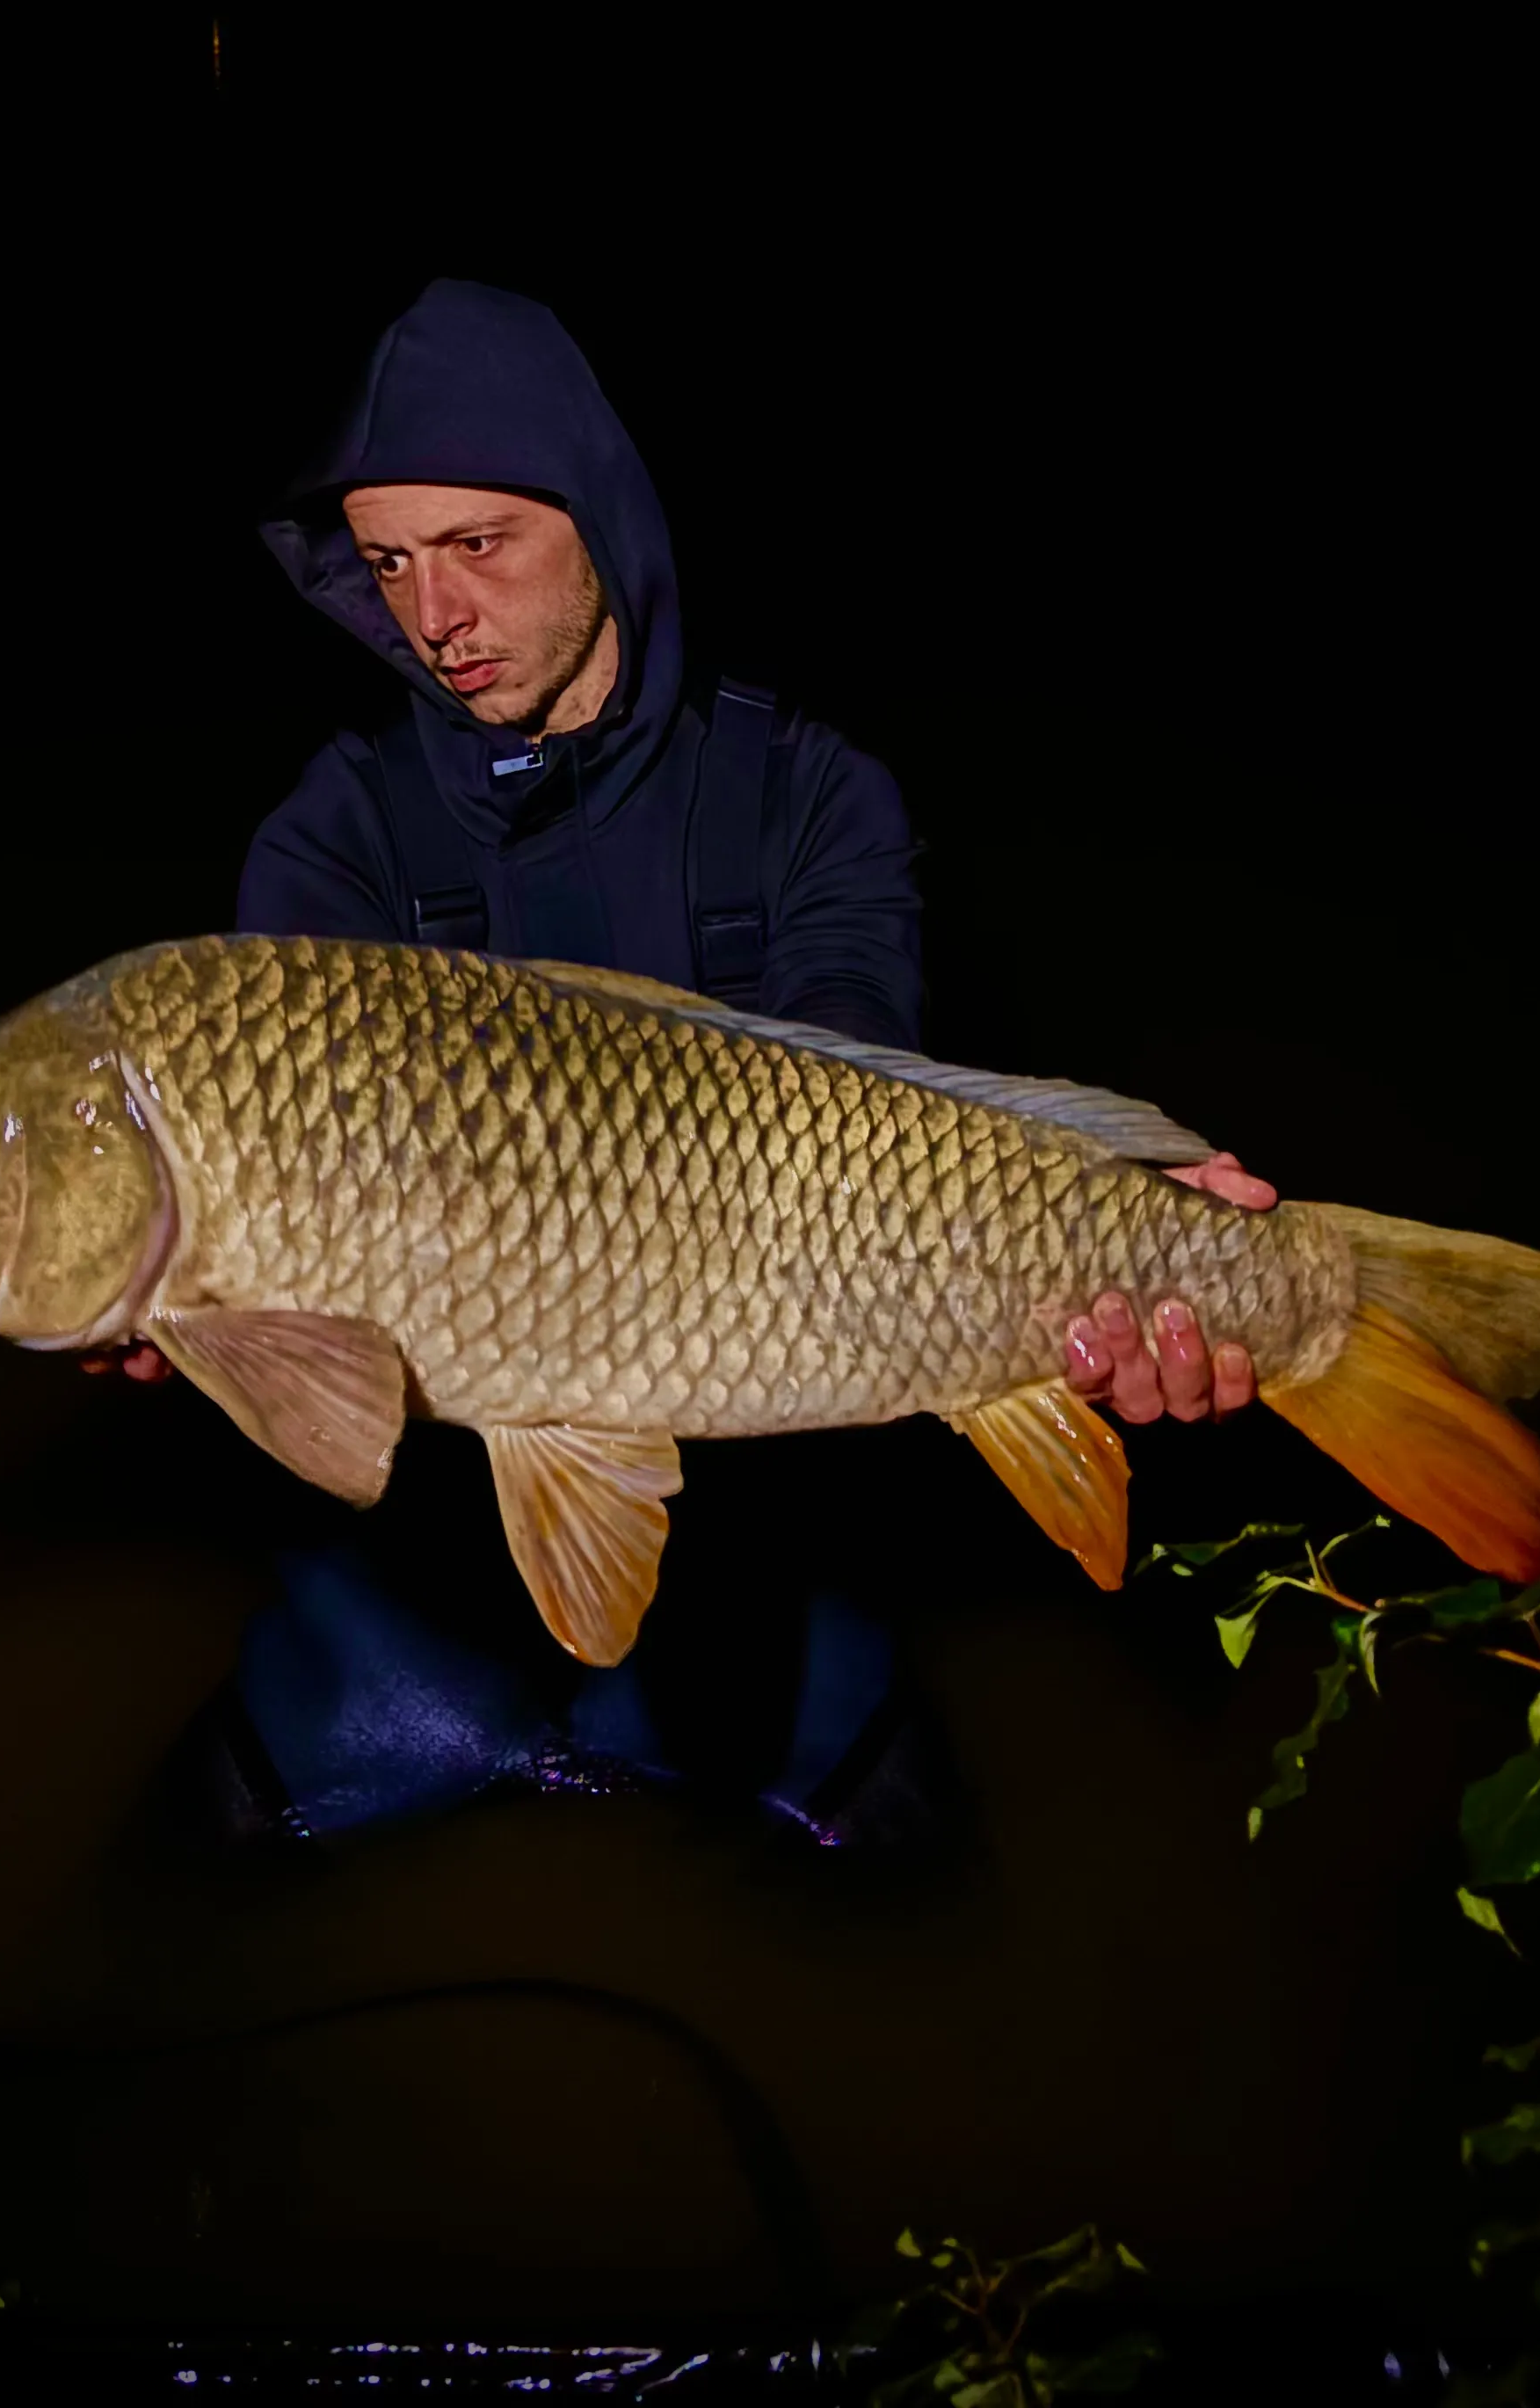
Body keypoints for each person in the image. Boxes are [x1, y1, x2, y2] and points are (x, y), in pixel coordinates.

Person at [102, 279, 1275, 1858]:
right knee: (169, 1875)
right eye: (387, 562)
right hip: (422, 1578)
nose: (430, 616)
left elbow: (872, 1095)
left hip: (771, 1547)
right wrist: (151, 1293)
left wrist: (1130, 1231)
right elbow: (259, 1234)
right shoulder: (337, 833)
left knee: (928, 1884)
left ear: (600, 518)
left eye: (478, 546)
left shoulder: (807, 796)